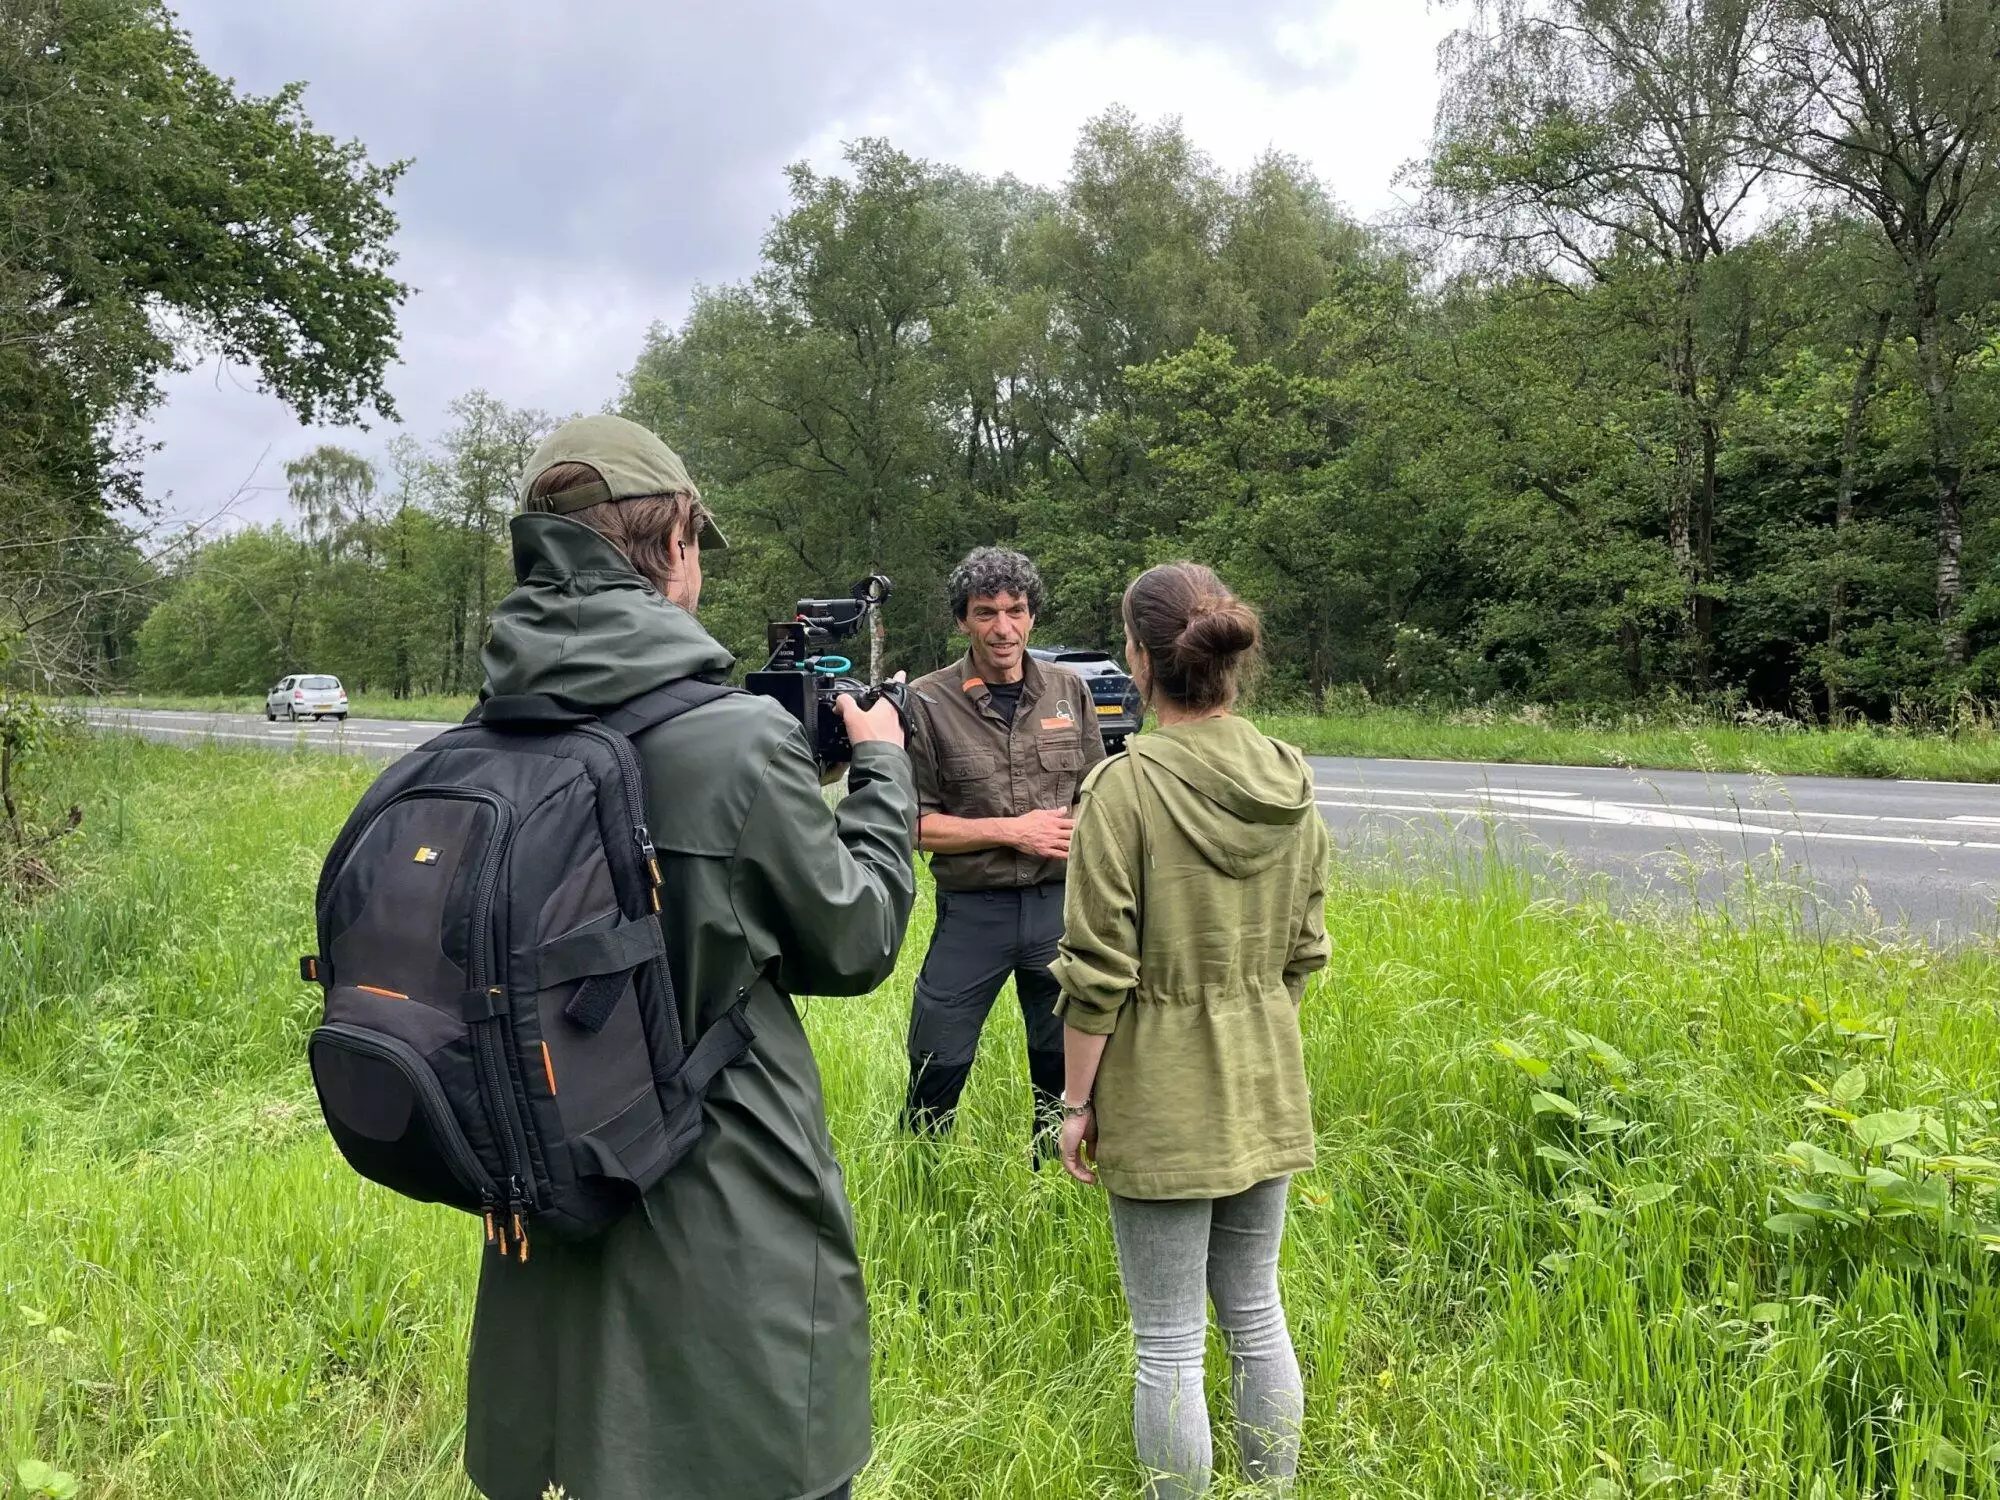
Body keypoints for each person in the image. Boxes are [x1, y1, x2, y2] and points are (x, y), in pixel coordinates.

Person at [463, 414, 915, 1500]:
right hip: (726, 1216)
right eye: (696, 543)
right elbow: (851, 941)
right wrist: (882, 778)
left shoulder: (489, 730)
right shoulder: (731, 739)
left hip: (545, 1204)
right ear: (671, 545)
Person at [1051, 562, 1331, 1500]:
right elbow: (1304, 952)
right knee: (1256, 1312)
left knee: (1168, 1343)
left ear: (1137, 659)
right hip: (1264, 1074)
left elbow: (1097, 976)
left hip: (1160, 1087)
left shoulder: (1122, 790)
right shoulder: (1290, 778)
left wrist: (1075, 1105)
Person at [901, 547, 1106, 1151]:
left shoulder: (1069, 691)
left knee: (1059, 1062)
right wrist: (1012, 830)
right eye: (986, 612)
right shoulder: (928, 701)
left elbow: (1100, 796)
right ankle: (921, 1174)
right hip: (973, 913)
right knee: (937, 1055)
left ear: (1032, 617)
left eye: (1015, 611)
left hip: (1058, 909)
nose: (1003, 628)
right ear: (963, 619)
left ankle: (1052, 1181)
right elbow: (911, 824)